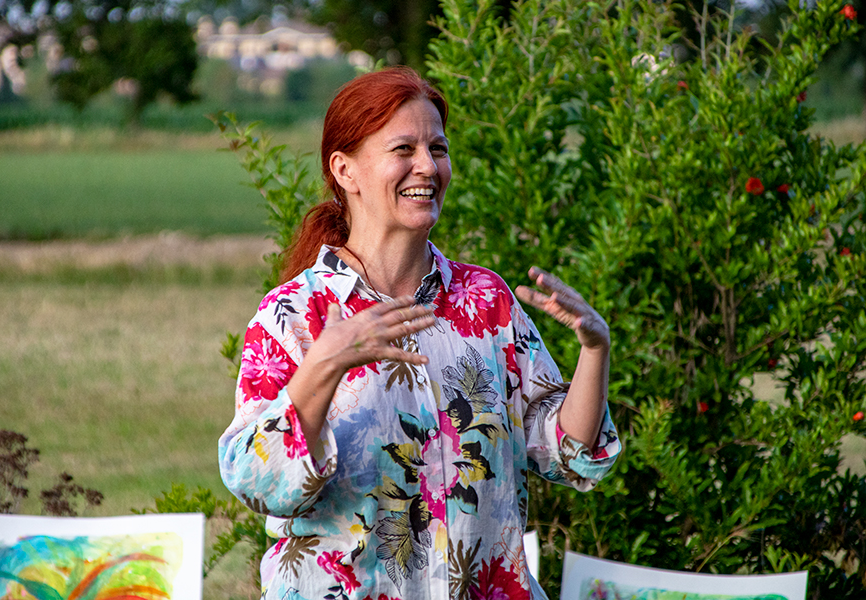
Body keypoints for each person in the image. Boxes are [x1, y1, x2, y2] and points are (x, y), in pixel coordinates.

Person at [218, 67, 620, 600]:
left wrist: (596, 349)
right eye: (403, 148)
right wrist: (324, 365)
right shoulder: (293, 316)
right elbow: (255, 481)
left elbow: (569, 454)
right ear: (345, 170)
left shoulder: (486, 302)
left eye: (438, 148)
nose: (427, 166)